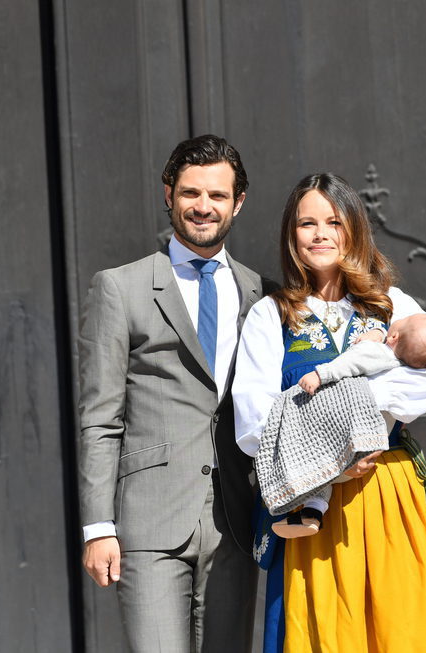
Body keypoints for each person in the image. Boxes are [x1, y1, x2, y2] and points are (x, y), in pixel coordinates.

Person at [233, 173, 426, 652]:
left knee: (399, 633)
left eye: (333, 221)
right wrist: (333, 459)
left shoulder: (390, 303)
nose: (320, 234)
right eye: (306, 224)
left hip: (385, 494)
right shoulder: (270, 315)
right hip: (309, 496)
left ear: (353, 228)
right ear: (291, 235)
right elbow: (253, 421)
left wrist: (335, 409)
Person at [78, 134, 268, 652]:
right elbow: (100, 417)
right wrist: (98, 526)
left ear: (238, 202)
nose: (203, 207)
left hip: (235, 519)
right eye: (190, 193)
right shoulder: (120, 287)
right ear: (169, 194)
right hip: (150, 524)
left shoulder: (262, 294)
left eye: (217, 196)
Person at [258, 313, 426, 538]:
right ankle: (313, 513)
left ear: (393, 336)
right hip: (366, 453)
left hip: (345, 438)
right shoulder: (404, 373)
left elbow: (351, 362)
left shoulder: (378, 352)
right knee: (324, 472)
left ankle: (302, 502)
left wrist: (321, 375)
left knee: (316, 461)